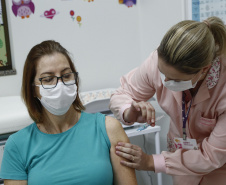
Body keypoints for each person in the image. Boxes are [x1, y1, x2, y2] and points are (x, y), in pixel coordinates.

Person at [0, 40, 137, 185]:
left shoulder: (109, 129)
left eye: (66, 76)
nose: (60, 85)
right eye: (48, 79)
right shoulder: (17, 146)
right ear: (33, 89)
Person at [109, 16, 226, 185]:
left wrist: (150, 162)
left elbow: (211, 156)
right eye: (163, 75)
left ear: (204, 70)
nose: (166, 83)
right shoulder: (157, 62)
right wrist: (129, 111)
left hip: (219, 167)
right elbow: (122, 94)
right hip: (180, 157)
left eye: (176, 80)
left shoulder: (222, 88)